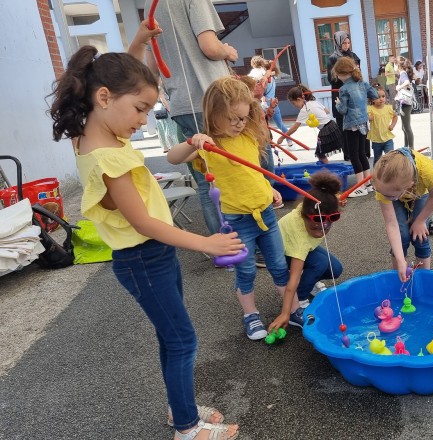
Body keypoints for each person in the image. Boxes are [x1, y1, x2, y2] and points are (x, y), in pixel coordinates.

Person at [48, 42, 243, 439]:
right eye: (140, 109)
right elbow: (144, 223)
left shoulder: (90, 134)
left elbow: (119, 78)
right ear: (103, 97)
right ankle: (188, 428)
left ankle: (180, 408)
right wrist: (207, 244)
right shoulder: (108, 157)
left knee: (171, 336)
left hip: (149, 257)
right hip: (144, 257)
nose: (143, 120)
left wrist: (138, 39)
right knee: (182, 337)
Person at [167, 77, 297, 340]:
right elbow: (173, 157)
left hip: (266, 215)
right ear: (214, 114)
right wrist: (193, 141)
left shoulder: (248, 137)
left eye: (243, 117)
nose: (239, 124)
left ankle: (292, 309)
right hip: (238, 222)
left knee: (278, 265)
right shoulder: (209, 145)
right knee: (246, 269)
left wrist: (267, 188)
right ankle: (251, 314)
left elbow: (251, 172)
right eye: (233, 118)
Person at [144, 0, 239, 237]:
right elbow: (210, 47)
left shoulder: (150, 5)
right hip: (211, 98)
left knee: (206, 179)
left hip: (181, 102)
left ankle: (221, 248)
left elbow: (152, 64)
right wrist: (227, 50)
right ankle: (237, 245)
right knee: (230, 174)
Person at [268, 171, 344, 333]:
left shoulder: (314, 204)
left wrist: (337, 203)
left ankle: (310, 281)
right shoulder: (300, 238)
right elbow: (292, 281)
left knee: (336, 269)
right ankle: (300, 300)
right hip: (283, 253)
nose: (321, 229)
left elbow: (330, 202)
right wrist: (285, 313)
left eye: (330, 221)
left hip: (301, 247)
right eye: (315, 225)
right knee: (320, 263)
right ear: (305, 217)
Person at [372, 148, 433, 282]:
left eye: (388, 195)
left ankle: (424, 280)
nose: (383, 196)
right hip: (397, 193)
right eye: (382, 192)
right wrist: (400, 260)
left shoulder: (426, 172)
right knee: (402, 236)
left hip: (422, 193)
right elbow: (391, 224)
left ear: (409, 185)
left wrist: (420, 221)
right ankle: (399, 277)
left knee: (420, 237)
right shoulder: (383, 185)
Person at [333, 57, 380, 198]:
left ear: (341, 74)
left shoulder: (343, 89)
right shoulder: (362, 83)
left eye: (337, 75)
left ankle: (360, 186)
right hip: (364, 123)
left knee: (353, 155)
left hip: (351, 125)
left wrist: (337, 103)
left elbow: (342, 110)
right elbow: (375, 95)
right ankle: (368, 183)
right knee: (362, 153)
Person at [280, 84, 344, 163]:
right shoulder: (314, 102)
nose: (294, 106)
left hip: (326, 130)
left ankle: (326, 171)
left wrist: (282, 138)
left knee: (320, 154)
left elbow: (294, 128)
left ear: (299, 99)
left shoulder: (304, 110)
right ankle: (327, 169)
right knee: (321, 153)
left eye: (294, 103)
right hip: (332, 125)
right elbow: (327, 110)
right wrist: (317, 115)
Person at [326, 31, 361, 161]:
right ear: (338, 43)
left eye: (348, 42)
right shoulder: (333, 58)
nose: (346, 45)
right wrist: (345, 77)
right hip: (340, 93)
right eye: (343, 43)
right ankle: (348, 154)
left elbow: (359, 74)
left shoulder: (353, 55)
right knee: (343, 124)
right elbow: (331, 79)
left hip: (354, 93)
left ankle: (358, 153)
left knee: (356, 123)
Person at [261, 59, 293, 149]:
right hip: (274, 102)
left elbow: (263, 93)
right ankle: (289, 141)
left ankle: (287, 141)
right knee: (280, 124)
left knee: (264, 124)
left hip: (267, 103)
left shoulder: (267, 80)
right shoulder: (273, 78)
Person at [368, 86, 398, 166]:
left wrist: (392, 125)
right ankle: (376, 175)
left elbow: (395, 117)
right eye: (378, 97)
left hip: (388, 138)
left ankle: (390, 175)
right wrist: (369, 118)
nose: (381, 99)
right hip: (376, 140)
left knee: (391, 158)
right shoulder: (370, 109)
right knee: (378, 160)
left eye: (383, 96)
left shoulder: (388, 108)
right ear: (372, 99)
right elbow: (366, 118)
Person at [395, 59, 416, 149]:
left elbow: (407, 82)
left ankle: (410, 148)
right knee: (404, 127)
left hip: (405, 104)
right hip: (406, 103)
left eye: (394, 65)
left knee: (406, 127)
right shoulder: (404, 73)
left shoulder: (403, 73)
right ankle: (406, 146)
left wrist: (398, 87)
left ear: (398, 65)